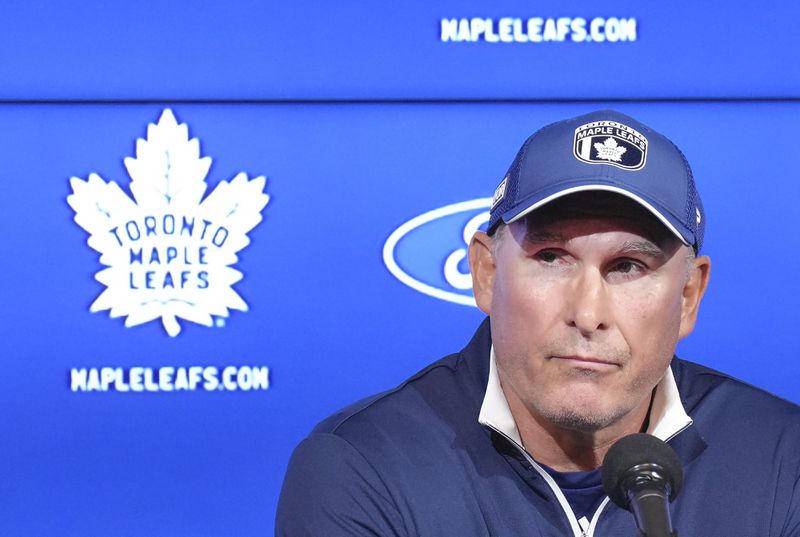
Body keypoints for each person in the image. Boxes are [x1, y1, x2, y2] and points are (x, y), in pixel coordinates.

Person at [276, 110, 800, 536]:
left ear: (688, 296)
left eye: (628, 267)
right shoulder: (366, 469)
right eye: (551, 258)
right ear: (485, 273)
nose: (588, 314)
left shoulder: (784, 460)